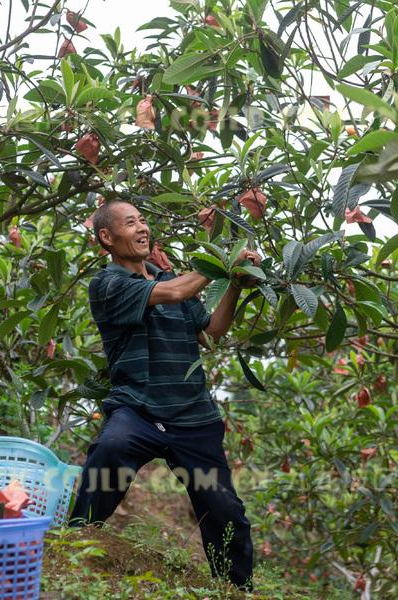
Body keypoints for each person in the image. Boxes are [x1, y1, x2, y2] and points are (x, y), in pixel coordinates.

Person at [68, 199, 259, 590]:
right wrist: (224, 262)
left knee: (223, 507)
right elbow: (171, 293)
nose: (142, 228)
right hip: (138, 409)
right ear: (106, 236)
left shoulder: (165, 277)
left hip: (192, 417)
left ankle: (236, 590)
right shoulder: (107, 284)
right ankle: (75, 538)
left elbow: (212, 332)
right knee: (111, 448)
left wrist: (236, 284)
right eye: (130, 223)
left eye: (142, 220)